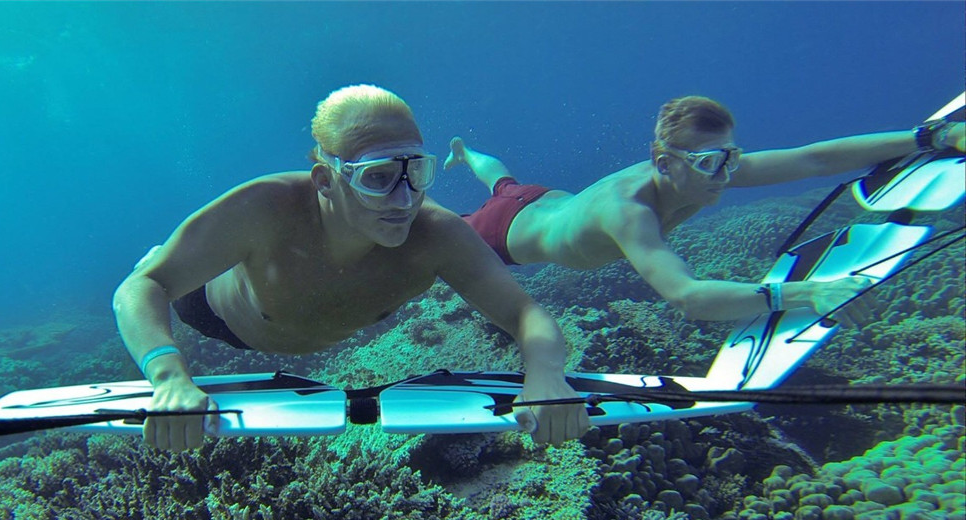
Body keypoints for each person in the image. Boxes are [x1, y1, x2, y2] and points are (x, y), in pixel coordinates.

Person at [113, 84, 589, 452]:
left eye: (416, 173)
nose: (404, 200)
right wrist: (170, 377)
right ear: (326, 180)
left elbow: (524, 313)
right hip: (214, 314)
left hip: (287, 324)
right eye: (377, 177)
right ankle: (174, 248)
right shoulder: (264, 208)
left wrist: (545, 373)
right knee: (163, 270)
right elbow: (139, 288)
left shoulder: (437, 236)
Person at [446, 96, 965, 322]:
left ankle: (466, 152)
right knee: (433, 229)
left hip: (540, 199)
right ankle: (441, 168)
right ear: (664, 163)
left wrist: (928, 136)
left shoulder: (697, 172)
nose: (726, 174)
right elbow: (688, 297)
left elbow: (815, 157)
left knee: (504, 180)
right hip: (497, 235)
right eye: (711, 161)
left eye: (732, 157)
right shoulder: (629, 212)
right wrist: (809, 293)